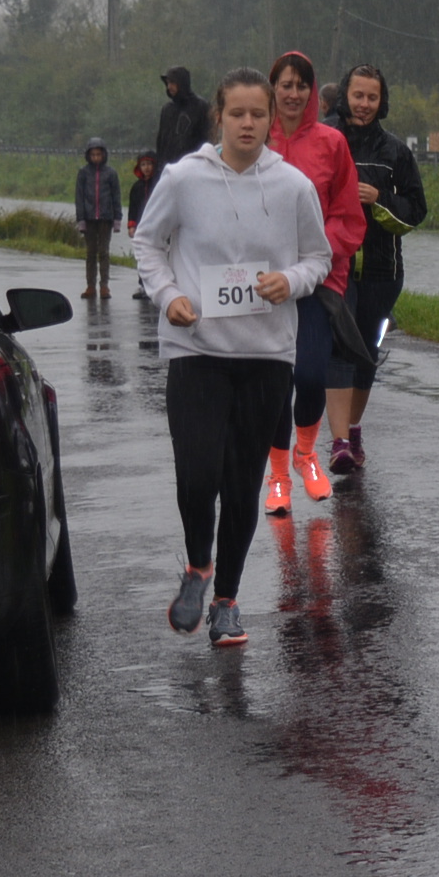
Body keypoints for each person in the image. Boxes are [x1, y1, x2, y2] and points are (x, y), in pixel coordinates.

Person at [133, 67, 330, 647]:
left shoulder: (294, 186)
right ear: (218, 116)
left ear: (273, 119)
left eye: (258, 114)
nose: (248, 124)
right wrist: (168, 295)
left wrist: (290, 281)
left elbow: (318, 258)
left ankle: (227, 601)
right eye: (237, 113)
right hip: (196, 349)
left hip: (266, 355)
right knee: (197, 475)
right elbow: (147, 243)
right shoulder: (183, 178)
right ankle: (199, 566)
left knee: (243, 484)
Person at [261, 51, 367, 513]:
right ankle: (278, 474)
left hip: (318, 282)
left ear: (312, 91)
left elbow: (349, 216)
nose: (293, 94)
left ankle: (305, 452)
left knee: (309, 374)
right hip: (263, 285)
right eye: (285, 85)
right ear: (272, 88)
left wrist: (317, 256)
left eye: (301, 86)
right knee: (272, 383)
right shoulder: (255, 139)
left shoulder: (332, 143)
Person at [327, 63, 427, 476]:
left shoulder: (396, 152)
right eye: (358, 95)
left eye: (372, 97)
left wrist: (379, 198)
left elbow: (417, 211)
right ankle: (337, 444)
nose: (364, 104)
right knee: (339, 349)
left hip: (383, 272)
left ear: (382, 101)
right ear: (344, 96)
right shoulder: (327, 140)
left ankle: (352, 430)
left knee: (366, 353)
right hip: (335, 267)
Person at [72, 137, 123, 300]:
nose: (96, 158)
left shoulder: (111, 173)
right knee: (91, 253)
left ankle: (104, 286)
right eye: (93, 155)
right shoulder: (83, 173)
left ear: (104, 155)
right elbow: (79, 197)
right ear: (88, 155)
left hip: (106, 218)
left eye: (98, 154)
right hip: (88, 218)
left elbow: (116, 196)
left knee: (104, 252)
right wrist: (81, 219)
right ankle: (90, 286)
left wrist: (117, 218)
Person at [155, 65, 209, 168]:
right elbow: (161, 142)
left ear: (182, 83)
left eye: (172, 82)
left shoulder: (200, 107)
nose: (169, 87)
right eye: (168, 83)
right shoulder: (167, 109)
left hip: (193, 166)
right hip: (168, 167)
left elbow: (207, 139)